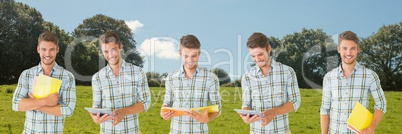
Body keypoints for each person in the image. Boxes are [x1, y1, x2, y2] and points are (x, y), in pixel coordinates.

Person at [320, 31, 386, 134]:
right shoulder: (329, 77)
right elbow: (325, 109)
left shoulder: (370, 76)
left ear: (358, 49)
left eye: (352, 48)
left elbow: (381, 104)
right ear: (338, 49)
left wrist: (371, 128)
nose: (348, 53)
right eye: (344, 48)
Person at [12, 31, 76, 133]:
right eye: (44, 49)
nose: (47, 54)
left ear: (57, 50)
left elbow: (68, 110)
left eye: (51, 50)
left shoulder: (67, 77)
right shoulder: (27, 74)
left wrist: (34, 104)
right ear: (38, 49)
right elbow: (16, 104)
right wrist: (46, 101)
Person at [90, 31, 151, 134]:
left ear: (120, 46)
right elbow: (96, 106)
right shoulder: (97, 78)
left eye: (113, 49)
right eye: (106, 51)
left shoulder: (137, 72)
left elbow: (146, 102)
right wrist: (96, 119)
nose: (110, 55)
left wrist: (124, 111)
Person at [240, 32, 301, 134]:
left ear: (268, 48)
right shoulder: (247, 77)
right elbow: (246, 104)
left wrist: (274, 112)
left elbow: (295, 101)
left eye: (260, 54)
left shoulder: (287, 72)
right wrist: (246, 118)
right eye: (253, 56)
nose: (257, 59)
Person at [160, 34, 222, 133]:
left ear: (199, 53)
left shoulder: (211, 78)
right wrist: (163, 113)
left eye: (194, 56)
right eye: (186, 56)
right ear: (180, 54)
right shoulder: (171, 78)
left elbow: (217, 107)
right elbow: (167, 103)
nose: (190, 60)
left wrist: (207, 118)